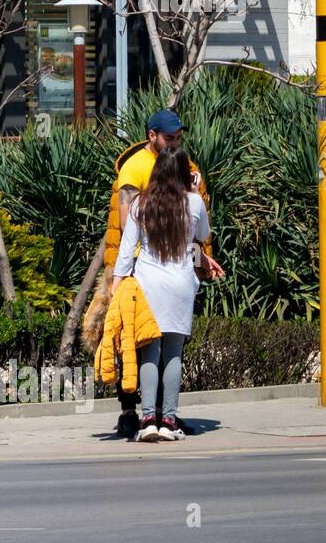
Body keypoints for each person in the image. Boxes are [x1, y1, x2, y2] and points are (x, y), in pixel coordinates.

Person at [83, 108, 219, 438]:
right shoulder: (135, 168)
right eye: (169, 137)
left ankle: (155, 416)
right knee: (137, 344)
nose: (175, 141)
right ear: (152, 136)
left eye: (177, 137)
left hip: (152, 271)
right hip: (145, 271)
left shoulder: (183, 167)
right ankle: (137, 413)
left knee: (151, 348)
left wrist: (202, 259)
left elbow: (194, 227)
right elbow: (132, 225)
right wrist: (121, 277)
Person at [111, 146, 223, 441]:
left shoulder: (140, 204)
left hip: (148, 284)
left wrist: (117, 283)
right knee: (173, 355)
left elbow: (126, 251)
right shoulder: (194, 203)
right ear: (185, 173)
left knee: (150, 352)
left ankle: (147, 419)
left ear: (157, 171)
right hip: (181, 284)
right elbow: (202, 237)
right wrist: (195, 191)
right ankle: (169, 422)